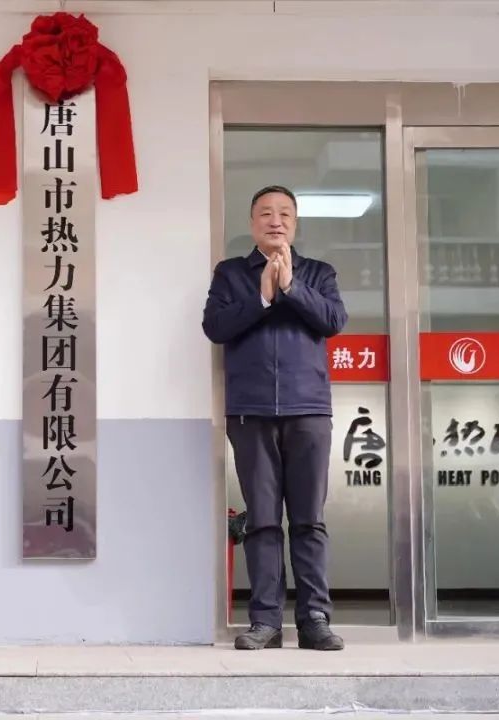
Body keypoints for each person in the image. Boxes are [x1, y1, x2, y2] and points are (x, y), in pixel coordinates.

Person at [203, 185, 348, 651]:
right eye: (265, 213)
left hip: (309, 410)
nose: (275, 220)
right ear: (252, 223)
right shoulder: (230, 274)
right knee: (263, 521)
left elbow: (333, 320)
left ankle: (314, 620)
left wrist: (290, 288)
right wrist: (262, 297)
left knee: (309, 520)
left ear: (295, 223)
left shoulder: (318, 273)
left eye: (285, 213)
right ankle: (265, 621)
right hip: (251, 412)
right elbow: (215, 327)